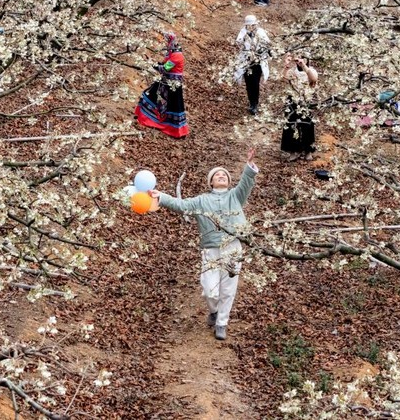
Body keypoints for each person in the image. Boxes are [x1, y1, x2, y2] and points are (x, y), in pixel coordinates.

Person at [150, 148, 259, 341]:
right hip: (210, 249)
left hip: (233, 247)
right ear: (211, 182)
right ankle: (214, 311)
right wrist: (162, 197)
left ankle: (222, 323)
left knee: (228, 289)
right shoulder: (201, 200)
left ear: (229, 181)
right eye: (217, 175)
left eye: (224, 175)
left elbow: (246, 182)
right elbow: (182, 205)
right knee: (210, 290)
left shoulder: (235, 196)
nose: (221, 176)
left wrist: (249, 166)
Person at [134, 32, 189, 138]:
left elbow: (165, 68)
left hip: (173, 85)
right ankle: (147, 118)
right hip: (165, 81)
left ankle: (175, 130)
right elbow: (164, 65)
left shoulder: (176, 56)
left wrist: (152, 64)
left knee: (173, 105)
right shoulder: (172, 53)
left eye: (167, 41)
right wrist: (152, 62)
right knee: (151, 95)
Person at [281, 55, 319, 160]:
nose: (299, 60)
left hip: (306, 99)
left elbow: (313, 79)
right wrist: (286, 65)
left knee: (307, 125)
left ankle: (308, 150)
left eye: (302, 58)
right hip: (293, 99)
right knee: (291, 125)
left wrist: (304, 66)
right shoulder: (292, 71)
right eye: (298, 58)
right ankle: (294, 151)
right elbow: (283, 78)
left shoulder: (311, 70)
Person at [234, 15, 270, 115]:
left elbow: (267, 43)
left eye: (253, 25)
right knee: (249, 83)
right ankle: (251, 102)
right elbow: (239, 43)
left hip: (257, 62)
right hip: (247, 62)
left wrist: (260, 49)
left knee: (255, 82)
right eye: (249, 25)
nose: (251, 27)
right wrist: (245, 40)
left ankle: (255, 103)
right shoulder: (243, 32)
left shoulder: (260, 32)